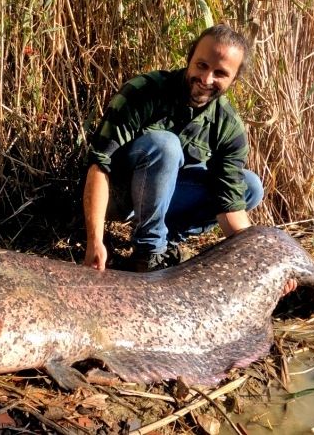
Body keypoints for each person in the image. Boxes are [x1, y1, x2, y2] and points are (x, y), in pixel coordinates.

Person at [82, 24, 264, 272]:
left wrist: (262, 265)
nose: (206, 79)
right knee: (166, 144)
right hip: (119, 196)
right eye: (201, 65)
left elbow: (229, 204)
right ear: (190, 59)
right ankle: (148, 253)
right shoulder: (143, 91)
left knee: (250, 187)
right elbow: (99, 166)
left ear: (234, 79)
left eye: (220, 73)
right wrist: (95, 240)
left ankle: (169, 241)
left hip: (167, 198)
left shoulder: (228, 126)